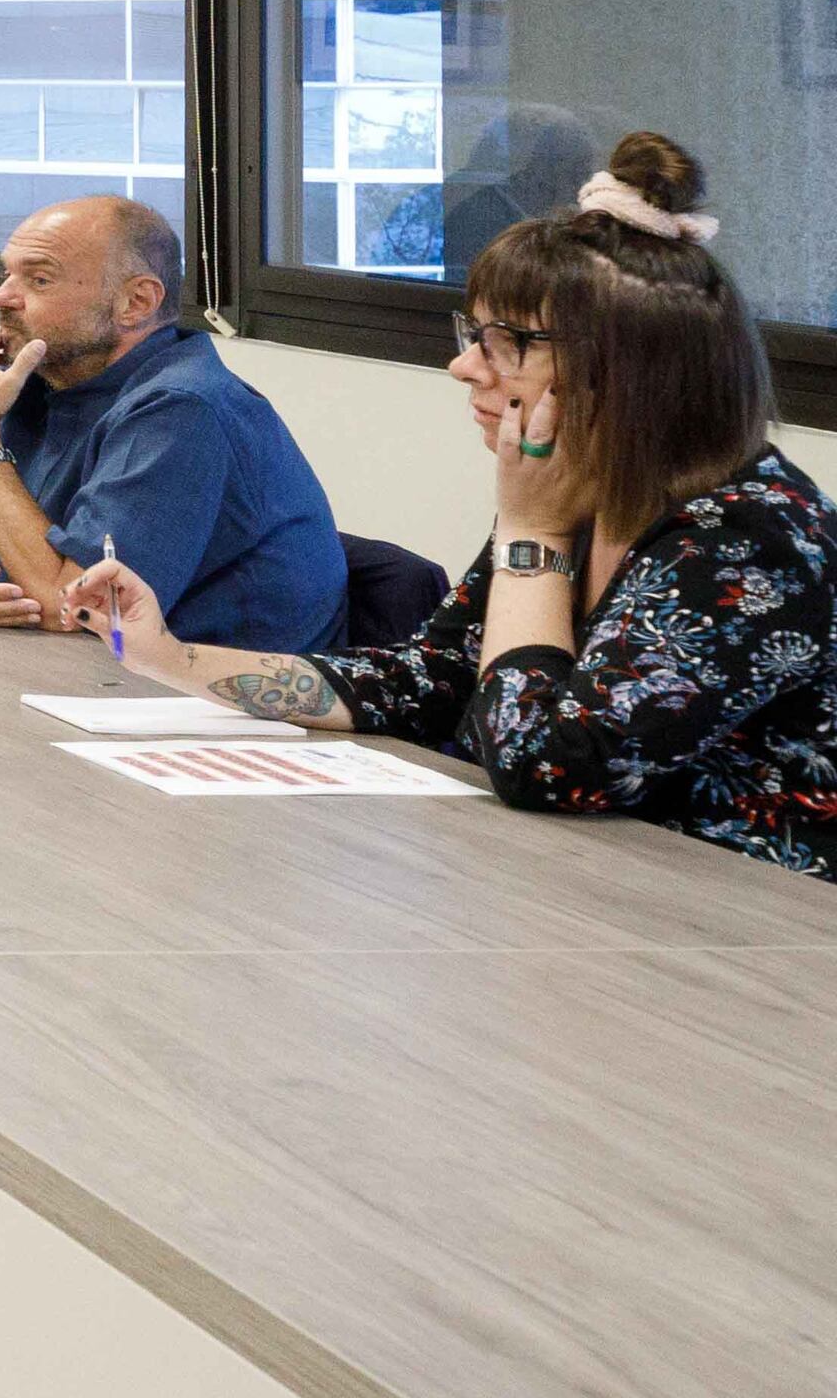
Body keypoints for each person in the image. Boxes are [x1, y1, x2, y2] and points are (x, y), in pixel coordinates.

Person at [74, 134, 835, 878]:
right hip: (584, 887)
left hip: (747, 934)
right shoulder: (579, 491)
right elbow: (430, 682)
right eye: (472, 334)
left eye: (505, 342)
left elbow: (544, 763)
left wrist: (532, 534)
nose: (463, 366)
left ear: (624, 370)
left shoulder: (750, 536)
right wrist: (172, 658)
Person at [0, 195, 341, 648]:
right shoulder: (37, 377)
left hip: (210, 709)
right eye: (6, 273)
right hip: (77, 675)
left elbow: (70, 610)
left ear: (136, 302)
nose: (1, 296)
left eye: (38, 280)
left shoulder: (182, 409)